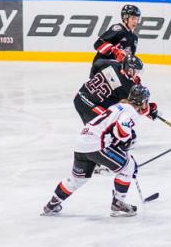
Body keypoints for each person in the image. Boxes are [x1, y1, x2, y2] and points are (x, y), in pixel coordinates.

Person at [41, 86, 155, 218]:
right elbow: (123, 127)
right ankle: (118, 202)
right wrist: (128, 140)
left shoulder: (118, 106)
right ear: (143, 101)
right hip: (96, 145)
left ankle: (52, 204)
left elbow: (110, 130)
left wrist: (122, 143)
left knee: (77, 179)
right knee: (128, 167)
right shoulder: (131, 112)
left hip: (81, 142)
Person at [73, 51, 153, 124]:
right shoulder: (126, 86)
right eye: (135, 71)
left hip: (79, 96)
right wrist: (150, 110)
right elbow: (137, 105)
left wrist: (93, 77)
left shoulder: (113, 63)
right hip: (92, 108)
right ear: (129, 69)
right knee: (102, 131)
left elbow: (97, 63)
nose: (137, 74)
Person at [90, 4, 141, 71]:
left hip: (115, 71)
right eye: (133, 18)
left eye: (137, 19)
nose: (135, 21)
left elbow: (129, 60)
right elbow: (98, 44)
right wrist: (114, 50)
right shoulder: (118, 29)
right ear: (125, 18)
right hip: (101, 68)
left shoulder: (134, 38)